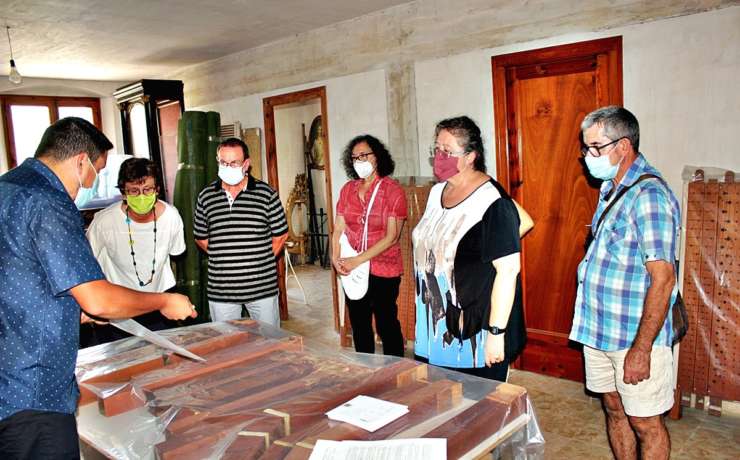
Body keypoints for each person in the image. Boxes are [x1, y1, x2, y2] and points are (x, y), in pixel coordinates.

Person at [0, 117, 196, 459]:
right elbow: (99, 298)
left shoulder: (9, 188)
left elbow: (24, 284)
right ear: (80, 162)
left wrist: (80, 316)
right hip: (34, 389)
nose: (93, 181)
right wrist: (164, 300)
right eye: (97, 170)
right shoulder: (49, 202)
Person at [571, 106, 680, 460]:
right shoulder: (610, 187)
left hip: (634, 336)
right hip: (600, 329)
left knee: (646, 423)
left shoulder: (649, 195)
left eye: (596, 147)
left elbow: (662, 279)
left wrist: (642, 349)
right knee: (614, 410)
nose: (588, 157)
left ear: (624, 146)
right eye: (586, 148)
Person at [412, 116, 525, 381]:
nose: (439, 157)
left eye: (448, 152)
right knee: (437, 408)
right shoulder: (435, 194)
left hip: (472, 332)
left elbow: (508, 272)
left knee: (475, 415)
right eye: (436, 149)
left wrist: (496, 335)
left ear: (471, 156)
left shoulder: (491, 200)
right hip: (433, 324)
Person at [84, 158, 186, 345]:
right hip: (118, 310)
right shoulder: (104, 222)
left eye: (147, 190)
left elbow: (176, 251)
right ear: (123, 193)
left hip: (159, 303)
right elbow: (84, 265)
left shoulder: (172, 217)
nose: (141, 196)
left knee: (164, 361)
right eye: (134, 191)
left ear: (157, 190)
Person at [194, 137, 288, 327]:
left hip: (262, 289)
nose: (228, 167)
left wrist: (259, 261)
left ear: (246, 164)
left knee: (270, 343)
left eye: (234, 163)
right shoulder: (206, 196)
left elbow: (280, 235)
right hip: (222, 291)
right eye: (223, 162)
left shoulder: (266, 194)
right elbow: (201, 237)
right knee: (227, 346)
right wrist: (224, 257)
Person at [332, 135, 407, 357]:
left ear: (378, 157)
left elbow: (392, 237)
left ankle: (396, 371)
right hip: (353, 270)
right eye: (354, 157)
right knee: (359, 323)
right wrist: (336, 258)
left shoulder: (392, 190)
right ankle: (365, 373)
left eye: (364, 155)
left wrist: (357, 260)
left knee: (386, 323)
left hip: (384, 268)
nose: (359, 161)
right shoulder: (348, 190)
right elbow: (338, 230)